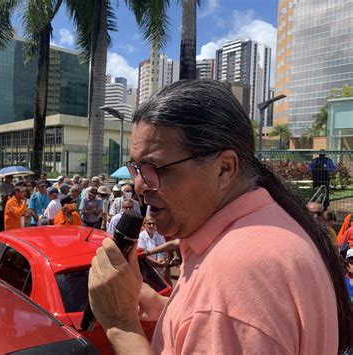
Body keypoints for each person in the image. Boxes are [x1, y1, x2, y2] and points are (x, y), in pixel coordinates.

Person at [87, 80, 351, 354]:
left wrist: (121, 325)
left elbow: (230, 314)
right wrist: (168, 307)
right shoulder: (273, 228)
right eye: (136, 168)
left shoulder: (236, 276)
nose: (139, 186)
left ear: (224, 169)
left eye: (154, 167)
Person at [137, 216, 169, 282]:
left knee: (167, 280)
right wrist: (157, 263)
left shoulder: (159, 235)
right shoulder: (141, 236)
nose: (151, 225)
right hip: (147, 267)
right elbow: (142, 254)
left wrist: (166, 260)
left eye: (153, 223)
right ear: (144, 225)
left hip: (160, 266)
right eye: (149, 223)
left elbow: (165, 249)